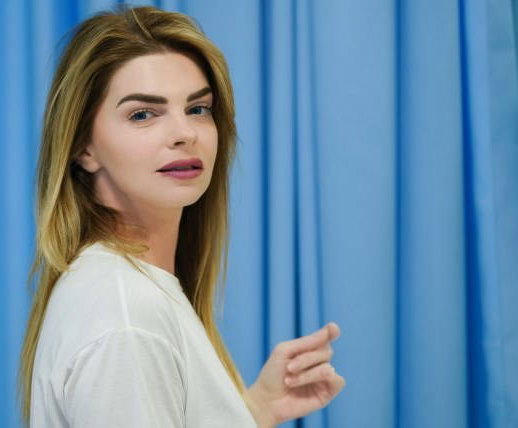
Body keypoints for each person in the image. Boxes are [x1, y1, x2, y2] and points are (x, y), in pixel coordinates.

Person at [18, 5, 345, 427]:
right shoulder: (128, 317)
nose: (185, 133)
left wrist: (255, 410)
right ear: (84, 147)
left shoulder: (127, 290)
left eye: (198, 109)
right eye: (142, 114)